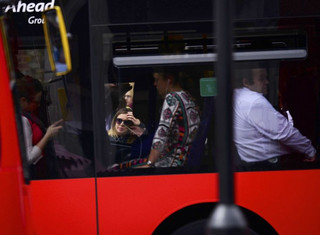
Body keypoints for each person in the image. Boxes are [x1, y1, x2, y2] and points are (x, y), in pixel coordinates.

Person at [233, 63, 316, 170]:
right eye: (262, 79)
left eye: (266, 78)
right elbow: (285, 133)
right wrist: (310, 151)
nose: (267, 82)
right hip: (269, 164)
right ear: (246, 82)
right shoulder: (254, 101)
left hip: (250, 163)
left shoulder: (237, 95)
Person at [143, 68, 200, 168]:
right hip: (184, 160)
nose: (155, 84)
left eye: (157, 80)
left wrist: (149, 163)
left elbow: (162, 132)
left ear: (169, 80)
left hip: (172, 162)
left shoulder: (172, 98)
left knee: (119, 169)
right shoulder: (187, 96)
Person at [17, 77, 63, 177]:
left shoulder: (27, 115)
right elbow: (28, 157)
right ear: (23, 100)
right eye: (36, 102)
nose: (38, 105)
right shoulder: (23, 120)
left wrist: (48, 131)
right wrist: (47, 135)